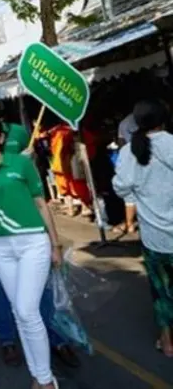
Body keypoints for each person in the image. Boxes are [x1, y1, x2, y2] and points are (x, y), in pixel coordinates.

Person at [0, 86, 78, 368]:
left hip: (28, 228)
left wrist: (54, 241)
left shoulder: (21, 134)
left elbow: (36, 194)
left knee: (37, 287)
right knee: (1, 284)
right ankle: (8, 340)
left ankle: (56, 339)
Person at [0, 115, 63, 389]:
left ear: (1, 138)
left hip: (33, 242)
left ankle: (45, 381)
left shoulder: (21, 163)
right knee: (20, 314)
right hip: (1, 245)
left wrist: (55, 244)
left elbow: (41, 203)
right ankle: (38, 373)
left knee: (26, 310)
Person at [112, 99, 173, 357]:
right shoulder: (171, 143)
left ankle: (167, 343)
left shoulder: (129, 152)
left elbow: (121, 186)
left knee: (160, 291)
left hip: (154, 239)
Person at [116, 111, 139, 233]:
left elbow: (121, 142)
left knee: (130, 195)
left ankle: (129, 223)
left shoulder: (123, 123)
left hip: (129, 159)